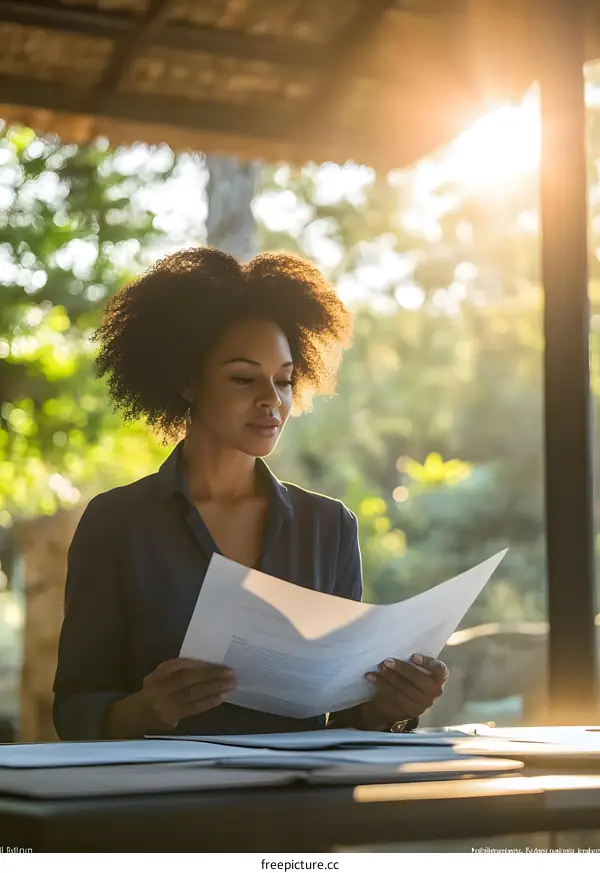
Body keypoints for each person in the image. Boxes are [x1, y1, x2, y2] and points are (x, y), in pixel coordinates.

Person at [52, 247, 448, 741]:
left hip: (299, 809)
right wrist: (146, 710)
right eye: (244, 378)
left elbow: (345, 720)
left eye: (283, 380)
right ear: (187, 382)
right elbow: (74, 708)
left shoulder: (327, 528)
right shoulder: (117, 522)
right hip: (161, 808)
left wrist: (389, 708)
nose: (271, 400)